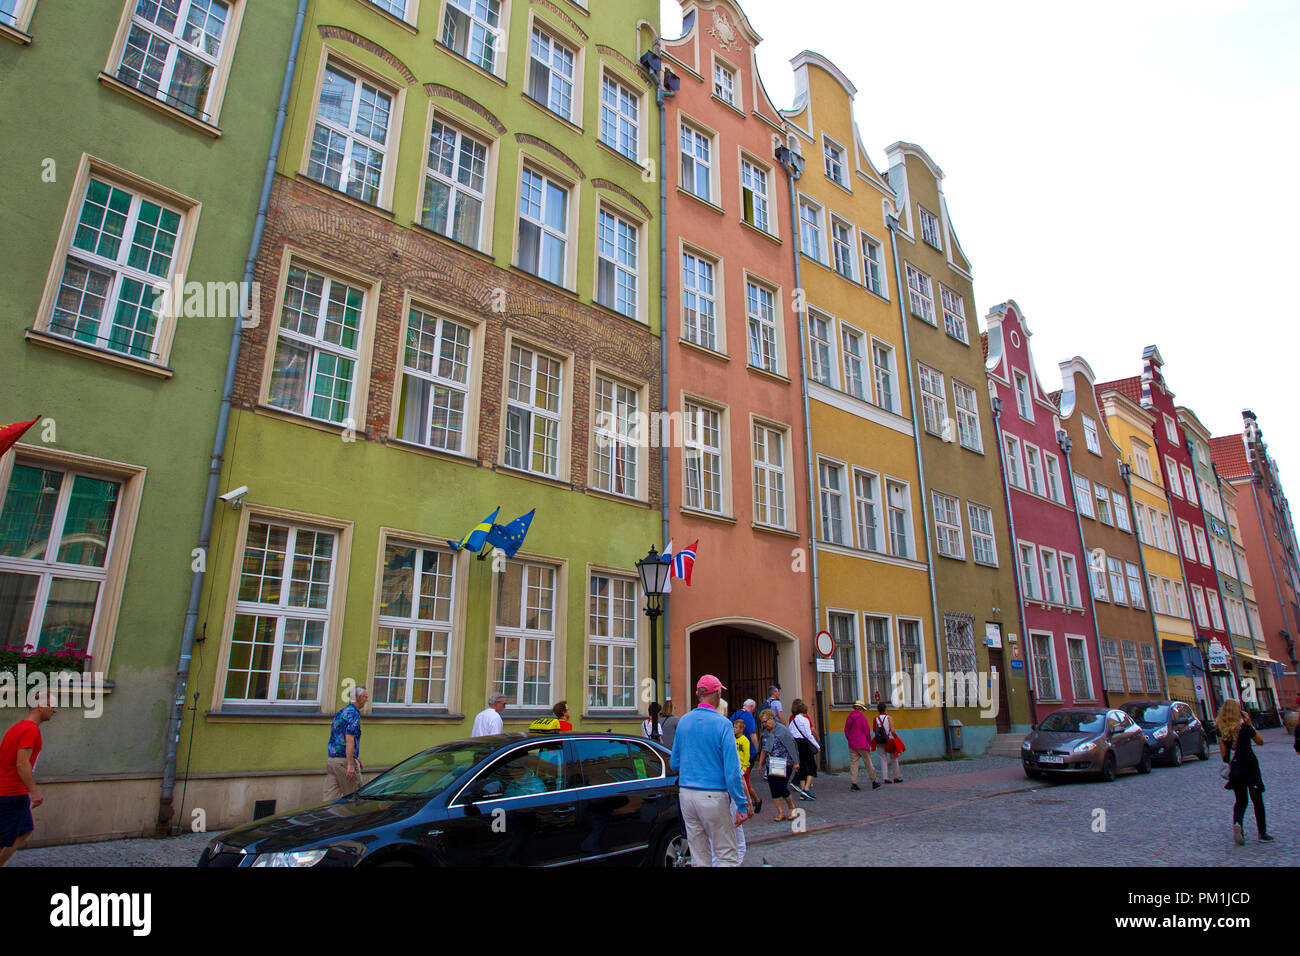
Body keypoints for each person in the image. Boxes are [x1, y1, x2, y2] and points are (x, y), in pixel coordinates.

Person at [669, 675, 750, 867]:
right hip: (713, 795)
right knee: (725, 854)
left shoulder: (684, 721)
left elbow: (674, 764)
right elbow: (732, 772)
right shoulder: (723, 724)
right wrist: (741, 804)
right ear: (718, 694)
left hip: (686, 794)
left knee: (699, 856)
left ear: (698, 694)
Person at [0, 690, 56, 867]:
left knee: (25, 829)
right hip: (12, 793)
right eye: (52, 706)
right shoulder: (30, 730)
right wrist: (34, 792)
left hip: (11, 791)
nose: (54, 710)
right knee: (3, 838)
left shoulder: (17, 727)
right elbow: (22, 763)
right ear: (40, 706)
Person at [1217, 699, 1272, 844]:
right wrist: (1249, 723)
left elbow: (1224, 754)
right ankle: (1262, 833)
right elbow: (1260, 741)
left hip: (1236, 766)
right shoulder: (1246, 728)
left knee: (1240, 801)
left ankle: (1238, 824)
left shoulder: (1221, 730)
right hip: (1250, 764)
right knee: (1257, 800)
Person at [756, 707, 799, 822]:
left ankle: (792, 808)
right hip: (771, 763)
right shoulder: (765, 733)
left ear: (772, 718)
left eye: (766, 721)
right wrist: (760, 764)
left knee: (782, 787)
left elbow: (791, 746)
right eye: (762, 722)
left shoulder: (782, 730)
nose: (764, 724)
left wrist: (796, 762)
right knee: (773, 789)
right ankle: (780, 813)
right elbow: (764, 749)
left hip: (784, 763)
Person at [325, 685, 367, 801]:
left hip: (332, 760)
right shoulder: (354, 714)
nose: (366, 700)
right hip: (343, 762)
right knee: (353, 797)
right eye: (365, 697)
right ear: (358, 697)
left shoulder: (342, 712)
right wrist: (350, 764)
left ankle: (328, 813)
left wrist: (354, 756)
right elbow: (349, 739)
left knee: (330, 798)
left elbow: (338, 738)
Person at [788, 699, 821, 800]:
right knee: (812, 767)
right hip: (804, 744)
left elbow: (790, 734)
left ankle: (802, 790)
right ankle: (806, 789)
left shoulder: (793, 721)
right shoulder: (805, 720)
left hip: (796, 744)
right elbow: (808, 735)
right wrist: (817, 746)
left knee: (801, 767)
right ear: (804, 712)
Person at [844, 700, 880, 791]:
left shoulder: (849, 717)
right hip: (863, 743)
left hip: (852, 744)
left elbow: (846, 731)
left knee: (854, 764)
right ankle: (874, 781)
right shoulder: (862, 718)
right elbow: (867, 732)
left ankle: (854, 783)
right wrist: (869, 742)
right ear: (861, 709)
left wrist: (850, 739)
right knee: (868, 763)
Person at [733, 700, 761, 811]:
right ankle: (752, 801)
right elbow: (753, 734)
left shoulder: (736, 714)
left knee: (744, 783)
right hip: (742, 759)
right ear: (751, 707)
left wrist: (744, 766)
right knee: (743, 784)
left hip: (742, 763)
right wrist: (758, 750)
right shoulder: (748, 716)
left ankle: (751, 801)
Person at [874, 702, 905, 783]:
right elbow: (893, 730)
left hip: (880, 741)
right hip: (890, 740)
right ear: (885, 709)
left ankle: (885, 778)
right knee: (894, 758)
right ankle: (896, 776)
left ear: (878, 710)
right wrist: (896, 738)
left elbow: (875, 730)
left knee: (883, 758)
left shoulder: (876, 719)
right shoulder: (889, 718)